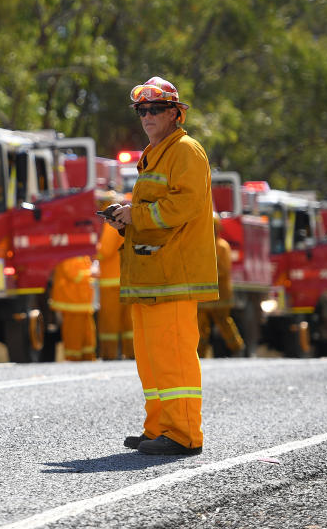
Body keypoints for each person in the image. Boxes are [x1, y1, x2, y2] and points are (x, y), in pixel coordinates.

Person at [101, 76, 218, 456]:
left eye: (155, 110)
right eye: (142, 110)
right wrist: (126, 219)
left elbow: (183, 206)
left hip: (174, 274)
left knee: (174, 356)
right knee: (151, 360)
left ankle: (184, 435)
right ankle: (159, 429)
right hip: (151, 275)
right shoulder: (157, 152)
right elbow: (153, 212)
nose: (147, 116)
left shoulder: (186, 151)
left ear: (175, 114)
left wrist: (135, 215)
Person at [197, 214, 244, 357]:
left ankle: (237, 349)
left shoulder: (222, 247)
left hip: (221, 295)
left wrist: (208, 267)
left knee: (224, 323)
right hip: (203, 297)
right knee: (200, 327)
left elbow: (224, 270)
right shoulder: (199, 246)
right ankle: (200, 354)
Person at [96, 200, 134, 360]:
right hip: (125, 279)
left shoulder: (111, 228)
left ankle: (109, 354)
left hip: (111, 282)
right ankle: (132, 352)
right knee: (128, 322)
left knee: (109, 322)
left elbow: (104, 251)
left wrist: (90, 252)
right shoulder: (128, 223)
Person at [49, 256, 96, 361]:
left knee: (87, 336)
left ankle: (87, 358)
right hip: (71, 304)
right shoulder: (69, 254)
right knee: (74, 335)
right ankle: (73, 360)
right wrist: (91, 274)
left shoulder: (82, 255)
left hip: (82, 304)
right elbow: (74, 275)